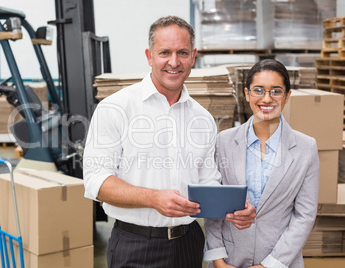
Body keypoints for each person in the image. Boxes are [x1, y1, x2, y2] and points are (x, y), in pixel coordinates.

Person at [83, 16, 256, 268]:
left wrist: (236, 209)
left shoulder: (203, 118)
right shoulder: (116, 108)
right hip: (135, 244)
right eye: (165, 52)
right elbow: (96, 182)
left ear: (193, 56)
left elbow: (207, 181)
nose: (174, 62)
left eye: (182, 53)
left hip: (189, 244)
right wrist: (153, 198)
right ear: (149, 55)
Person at [203, 59, 320, 268]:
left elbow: (305, 215)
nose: (267, 98)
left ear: (287, 96)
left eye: (276, 91)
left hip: (281, 261)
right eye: (259, 90)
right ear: (247, 94)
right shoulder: (224, 141)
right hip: (230, 260)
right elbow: (214, 207)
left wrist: (270, 265)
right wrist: (218, 259)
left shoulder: (306, 147)